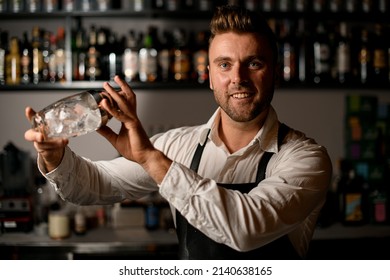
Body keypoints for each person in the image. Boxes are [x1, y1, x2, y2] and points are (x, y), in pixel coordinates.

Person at [24, 5, 332, 260]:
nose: (238, 78)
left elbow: (245, 228)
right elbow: (92, 186)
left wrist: (151, 160)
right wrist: (54, 156)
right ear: (210, 77)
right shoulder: (176, 145)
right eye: (224, 65)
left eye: (253, 63)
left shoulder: (305, 159)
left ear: (274, 72)